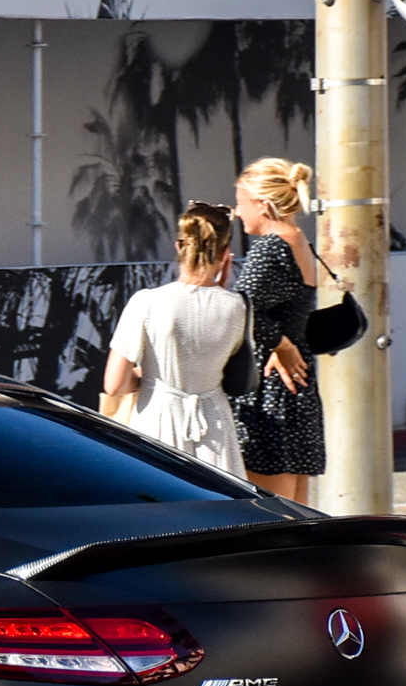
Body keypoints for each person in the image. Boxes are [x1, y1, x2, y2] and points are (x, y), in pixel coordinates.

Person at [98, 203, 249, 478]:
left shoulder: (147, 302)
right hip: (216, 427)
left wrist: (147, 376)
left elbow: (113, 385)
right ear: (226, 254)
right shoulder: (238, 307)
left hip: (159, 421)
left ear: (180, 247)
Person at [229, 156, 322, 502]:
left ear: (262, 205)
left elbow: (243, 310)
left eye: (240, 204)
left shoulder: (270, 247)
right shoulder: (298, 240)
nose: (238, 214)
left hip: (271, 386)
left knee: (268, 509)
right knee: (295, 505)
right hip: (296, 383)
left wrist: (279, 345)